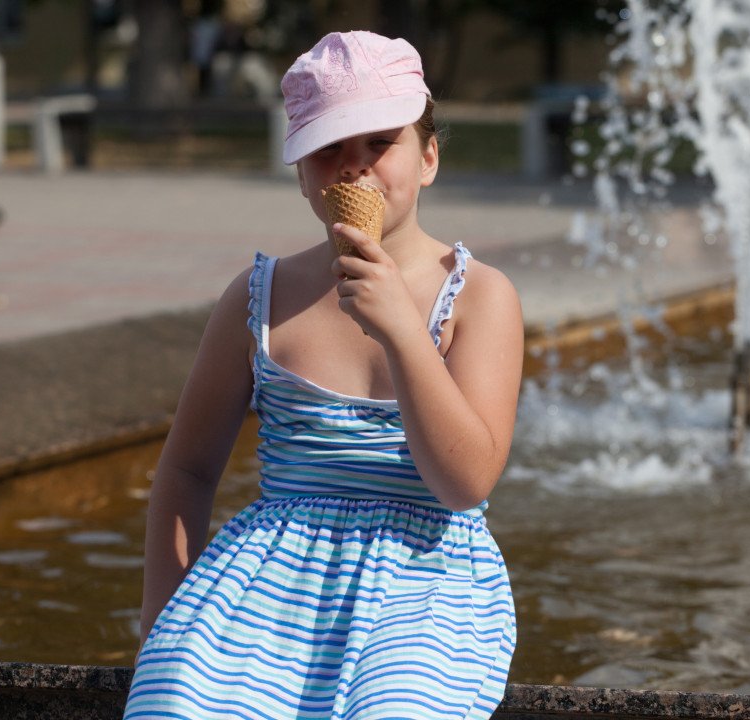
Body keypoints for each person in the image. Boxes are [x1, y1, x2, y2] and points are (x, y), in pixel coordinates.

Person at [123, 30, 523, 720]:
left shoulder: (479, 296)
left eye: (379, 142)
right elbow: (186, 472)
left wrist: (403, 329)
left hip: (425, 580)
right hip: (266, 577)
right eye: (329, 148)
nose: (354, 167)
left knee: (396, 707)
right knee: (178, 703)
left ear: (427, 157)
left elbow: (466, 485)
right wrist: (161, 624)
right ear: (301, 172)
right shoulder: (259, 297)